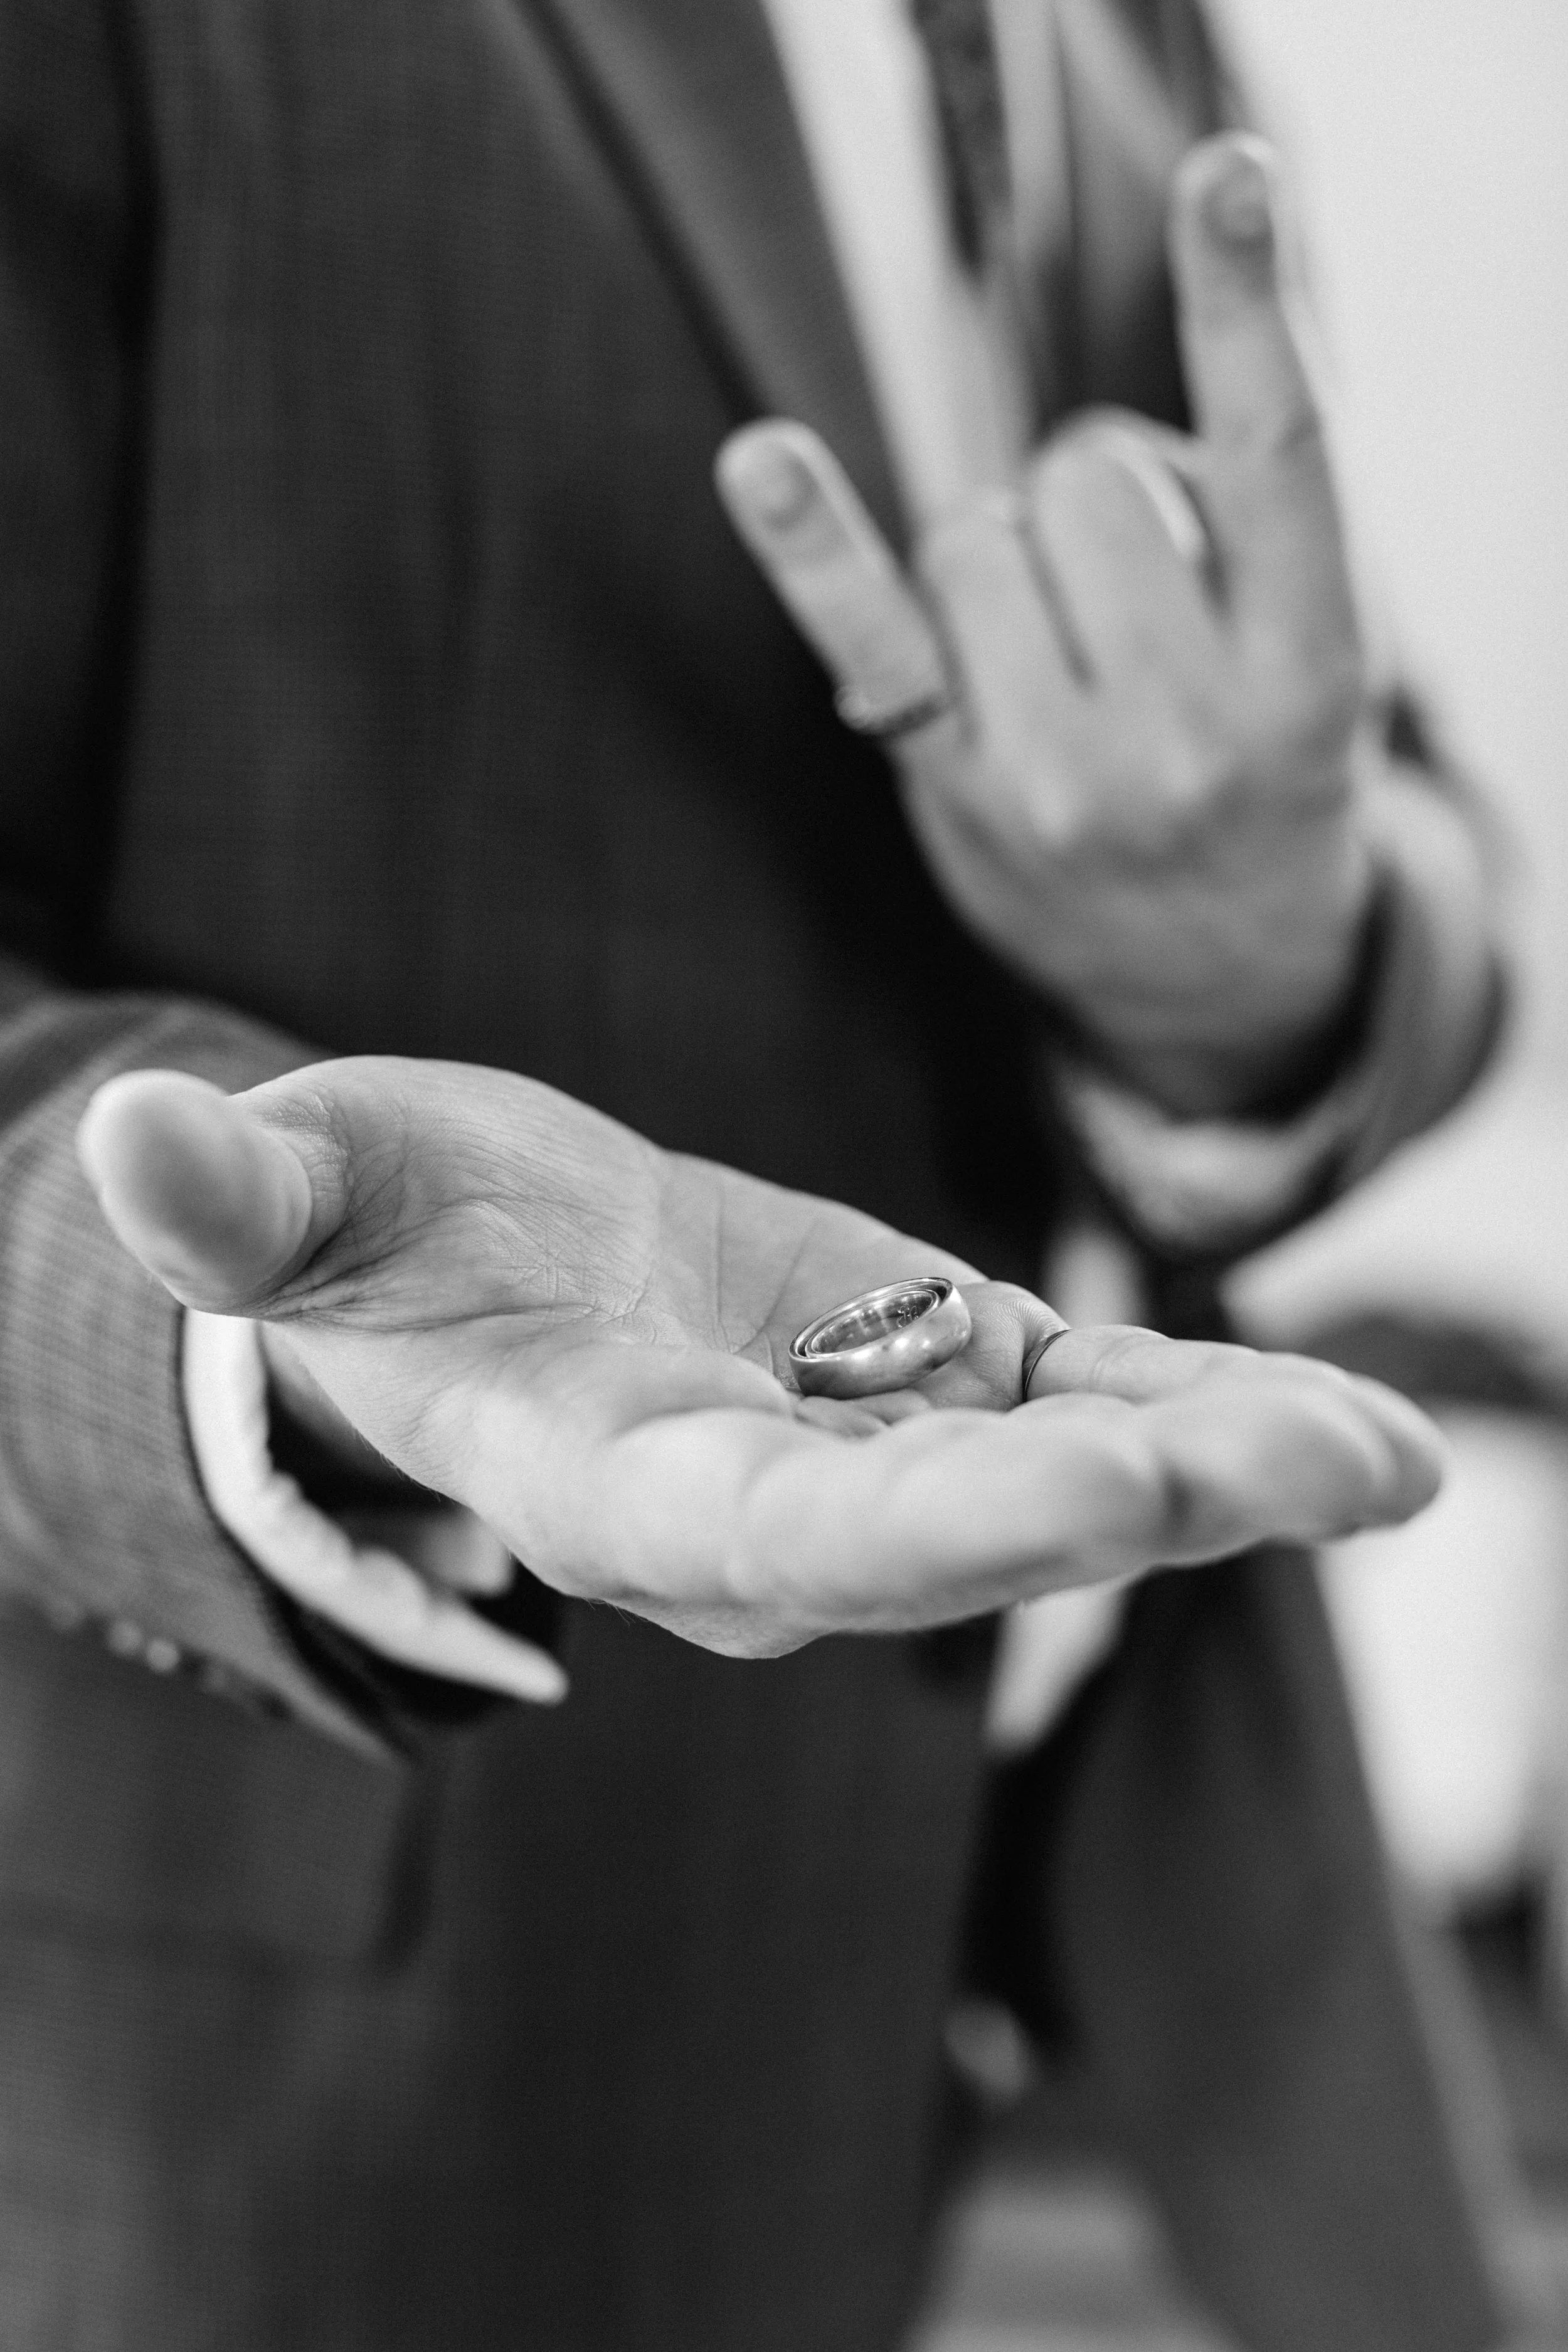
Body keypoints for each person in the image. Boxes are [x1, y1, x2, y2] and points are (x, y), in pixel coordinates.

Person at [0, 0, 1515, 2346]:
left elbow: (1405, 837)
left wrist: (1263, 963)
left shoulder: (1135, 48)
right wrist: (274, 1324)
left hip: (1078, 1953)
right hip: (314, 2092)